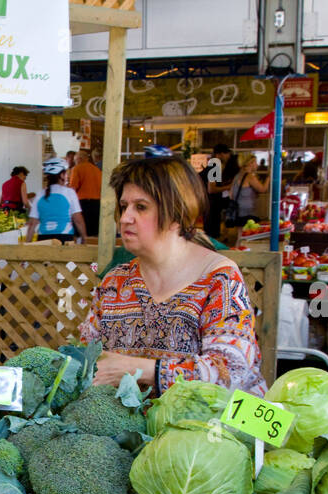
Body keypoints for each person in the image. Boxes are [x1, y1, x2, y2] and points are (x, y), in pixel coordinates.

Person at [80, 154, 265, 397]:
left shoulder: (218, 278)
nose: (125, 218)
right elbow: (86, 354)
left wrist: (140, 369)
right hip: (134, 429)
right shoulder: (114, 282)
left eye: (141, 207)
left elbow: (231, 371)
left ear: (177, 212)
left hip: (211, 428)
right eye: (124, 207)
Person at [26, 158, 86, 242]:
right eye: (66, 173)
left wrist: (27, 244)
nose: (67, 176)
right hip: (65, 238)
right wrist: (84, 238)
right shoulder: (69, 193)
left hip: (43, 238)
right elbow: (78, 219)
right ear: (61, 175)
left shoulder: (40, 194)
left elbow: (32, 223)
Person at [201, 144, 236, 239]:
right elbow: (211, 189)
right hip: (211, 203)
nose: (228, 156)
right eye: (226, 154)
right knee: (211, 231)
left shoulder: (214, 165)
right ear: (219, 154)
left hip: (212, 203)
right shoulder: (214, 166)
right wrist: (229, 186)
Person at [68, 148, 104, 237]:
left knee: (81, 232)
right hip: (97, 203)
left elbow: (73, 188)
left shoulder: (76, 169)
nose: (75, 162)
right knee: (94, 232)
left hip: (82, 203)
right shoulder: (97, 170)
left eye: (75, 160)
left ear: (79, 159)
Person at [229, 155, 266, 223]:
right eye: (255, 162)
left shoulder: (237, 175)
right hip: (248, 211)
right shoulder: (249, 176)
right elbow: (262, 189)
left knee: (241, 231)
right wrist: (269, 178)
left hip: (238, 210)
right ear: (250, 163)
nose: (257, 165)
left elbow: (231, 194)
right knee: (250, 230)